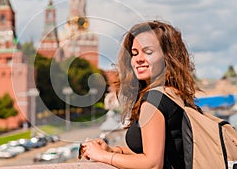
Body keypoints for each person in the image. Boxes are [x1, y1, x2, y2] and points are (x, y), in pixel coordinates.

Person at [80, 20, 200, 168]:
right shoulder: (173, 94)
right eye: (134, 53)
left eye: (148, 52)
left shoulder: (153, 99)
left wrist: (102, 155)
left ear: (167, 56)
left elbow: (152, 164)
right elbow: (164, 151)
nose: (138, 59)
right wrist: (113, 150)